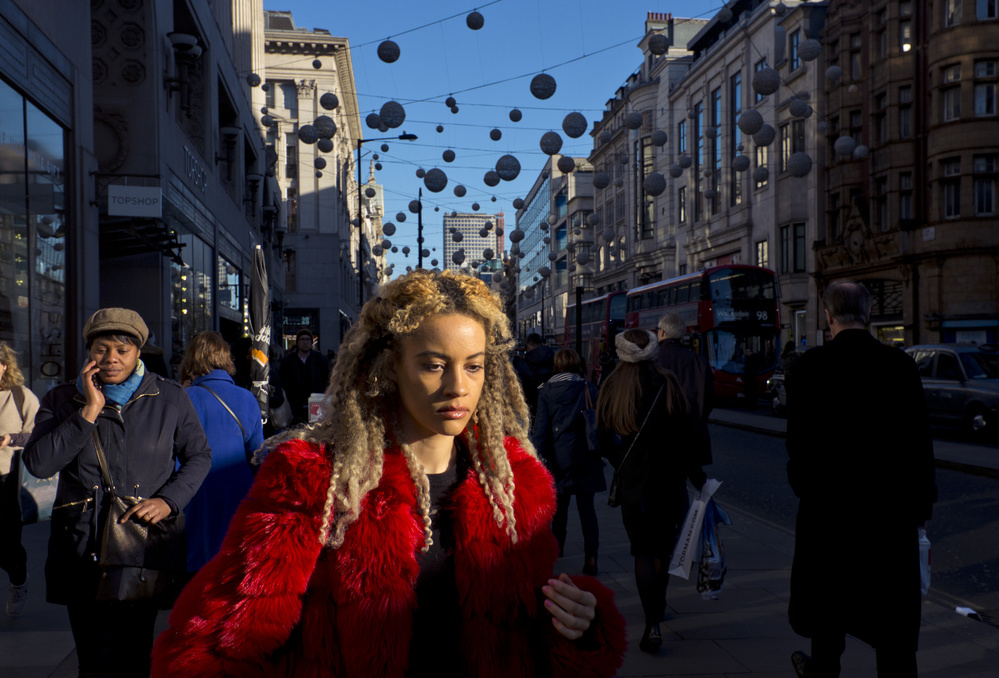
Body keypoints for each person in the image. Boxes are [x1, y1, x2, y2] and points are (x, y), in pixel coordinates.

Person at [152, 270, 627, 677]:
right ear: (389, 366)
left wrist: (578, 627)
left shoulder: (516, 486)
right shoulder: (313, 480)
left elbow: (529, 643)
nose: (458, 387)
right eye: (434, 365)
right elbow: (215, 642)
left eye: (474, 366)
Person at [23, 308, 211, 678]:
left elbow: (199, 456)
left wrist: (169, 500)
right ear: (89, 352)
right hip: (82, 547)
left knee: (135, 657)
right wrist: (88, 412)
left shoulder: (169, 397)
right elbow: (40, 464)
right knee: (94, 661)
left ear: (138, 352)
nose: (111, 358)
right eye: (101, 349)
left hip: (141, 545)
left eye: (122, 350)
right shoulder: (62, 399)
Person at [785, 281, 937, 678]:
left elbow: (798, 446)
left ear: (828, 317)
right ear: (868, 314)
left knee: (827, 625)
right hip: (888, 519)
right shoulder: (899, 365)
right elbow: (919, 445)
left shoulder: (810, 366)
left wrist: (806, 487)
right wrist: (921, 508)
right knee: (894, 634)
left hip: (828, 516)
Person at [596, 329, 706, 654]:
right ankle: (659, 605)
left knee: (642, 551)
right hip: (668, 478)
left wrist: (621, 463)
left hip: (634, 481)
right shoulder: (668, 382)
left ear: (623, 352)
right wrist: (696, 474)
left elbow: (602, 438)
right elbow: (687, 434)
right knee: (662, 549)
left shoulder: (614, 384)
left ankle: (651, 625)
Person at [179, 332, 265, 574]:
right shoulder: (247, 397)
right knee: (232, 565)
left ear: (191, 359)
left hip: (194, 491)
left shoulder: (183, 398)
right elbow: (258, 454)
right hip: (237, 489)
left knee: (197, 567)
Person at [530, 348, 605, 576]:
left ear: (558, 365)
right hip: (586, 457)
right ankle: (591, 557)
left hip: (557, 459)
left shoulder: (546, 391)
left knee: (559, 509)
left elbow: (540, 431)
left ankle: (558, 548)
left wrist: (539, 461)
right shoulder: (588, 388)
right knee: (587, 510)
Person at [0, 343, 40, 616]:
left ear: (5, 366)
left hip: (8, 481)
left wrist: (11, 438)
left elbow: (38, 433)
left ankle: (18, 581)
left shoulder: (20, 395)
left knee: (7, 544)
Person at [656, 312, 715, 466]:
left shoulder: (654, 360)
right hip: (693, 435)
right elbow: (710, 397)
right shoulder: (699, 361)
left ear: (663, 332)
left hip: (661, 437)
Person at [279, 329, 331, 425]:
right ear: (297, 342)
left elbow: (327, 379)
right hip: (295, 404)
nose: (305, 342)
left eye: (307, 339)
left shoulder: (320, 359)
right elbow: (283, 380)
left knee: (315, 428)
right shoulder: (288, 361)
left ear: (311, 342)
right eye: (302, 339)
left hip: (316, 402)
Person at [515, 332, 555, 416]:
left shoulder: (524, 364)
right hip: (553, 401)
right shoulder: (552, 357)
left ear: (529, 345)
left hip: (533, 403)